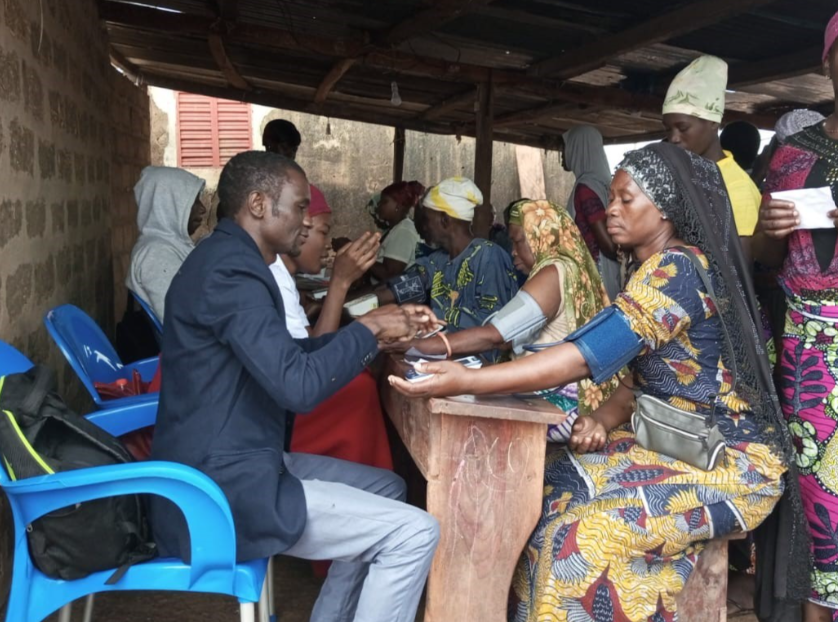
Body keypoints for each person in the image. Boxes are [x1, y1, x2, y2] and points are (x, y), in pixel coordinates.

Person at [390, 143, 803, 622]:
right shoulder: (649, 269)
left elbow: (585, 355)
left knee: (579, 539)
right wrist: (603, 419)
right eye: (611, 199)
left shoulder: (677, 271)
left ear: (665, 208)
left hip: (731, 462)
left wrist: (468, 378)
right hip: (674, 444)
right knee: (543, 493)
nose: (611, 211)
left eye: (627, 199)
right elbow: (635, 383)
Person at [149, 150, 441, 622]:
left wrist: (368, 333)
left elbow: (284, 358)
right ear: (259, 204)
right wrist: (368, 330)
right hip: (219, 490)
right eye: (300, 207)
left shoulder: (230, 261)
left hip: (239, 462)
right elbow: (297, 387)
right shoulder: (230, 272)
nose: (306, 221)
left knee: (387, 487)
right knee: (415, 533)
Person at [394, 199, 617, 441]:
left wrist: (419, 346)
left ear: (541, 236)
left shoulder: (553, 272)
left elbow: (496, 336)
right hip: (577, 397)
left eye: (518, 241)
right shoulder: (573, 268)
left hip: (560, 405)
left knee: (463, 423)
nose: (513, 251)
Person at [754, 12, 838, 621]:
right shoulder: (792, 155)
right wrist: (768, 228)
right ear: (827, 63)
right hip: (808, 345)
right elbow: (765, 256)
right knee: (820, 501)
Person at [269, 187, 393, 470]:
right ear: (297, 229)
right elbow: (315, 359)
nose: (327, 245)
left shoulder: (282, 275)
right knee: (359, 386)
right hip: (280, 411)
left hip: (286, 387)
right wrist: (340, 281)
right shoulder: (273, 275)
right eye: (323, 232)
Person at [377, 177, 518, 335]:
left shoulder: (489, 257)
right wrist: (361, 305)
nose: (424, 227)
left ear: (444, 220)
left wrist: (427, 322)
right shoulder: (436, 261)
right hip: (441, 346)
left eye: (427, 220)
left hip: (476, 350)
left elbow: (493, 328)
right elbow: (399, 290)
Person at [663, 55, 763, 257]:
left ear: (713, 122)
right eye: (668, 129)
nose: (673, 138)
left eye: (683, 128)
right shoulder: (682, 173)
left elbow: (738, 264)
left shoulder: (736, 187)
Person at [125, 166, 207, 321]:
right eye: (194, 201)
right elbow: (183, 320)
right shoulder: (156, 254)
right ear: (168, 205)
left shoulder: (170, 246)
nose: (202, 209)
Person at [562, 125, 621, 301]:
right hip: (611, 272)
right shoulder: (605, 184)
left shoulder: (585, 188)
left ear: (579, 148)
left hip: (595, 277)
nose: (563, 155)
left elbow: (608, 246)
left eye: (565, 148)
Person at [369, 181, 424, 282]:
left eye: (384, 202)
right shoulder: (396, 228)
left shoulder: (403, 232)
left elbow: (390, 274)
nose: (379, 205)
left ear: (398, 206)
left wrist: (361, 259)